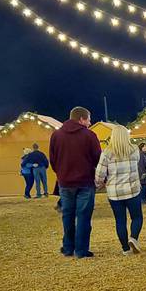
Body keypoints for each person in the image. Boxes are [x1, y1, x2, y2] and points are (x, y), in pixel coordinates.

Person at [49, 106, 102, 259]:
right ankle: (81, 250)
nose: (90, 123)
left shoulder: (56, 135)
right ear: (81, 119)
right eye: (89, 119)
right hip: (85, 181)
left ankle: (67, 248)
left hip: (65, 182)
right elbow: (97, 158)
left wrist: (61, 173)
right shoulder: (90, 135)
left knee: (67, 216)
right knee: (83, 216)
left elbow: (53, 160)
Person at [95, 124, 143, 256]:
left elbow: (100, 174)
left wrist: (100, 184)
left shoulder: (106, 153)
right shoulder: (134, 150)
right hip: (132, 190)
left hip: (114, 193)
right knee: (137, 217)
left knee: (120, 220)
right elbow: (137, 166)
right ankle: (133, 238)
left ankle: (125, 249)